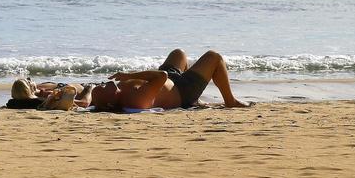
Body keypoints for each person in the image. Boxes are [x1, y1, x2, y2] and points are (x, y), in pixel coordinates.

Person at [92, 49, 250, 112]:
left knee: (178, 53)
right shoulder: (136, 100)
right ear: (110, 102)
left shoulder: (117, 91)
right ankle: (230, 100)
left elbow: (82, 98)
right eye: (104, 87)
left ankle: (196, 100)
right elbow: (161, 77)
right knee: (214, 57)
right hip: (183, 90)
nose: (106, 83)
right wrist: (129, 75)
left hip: (171, 78)